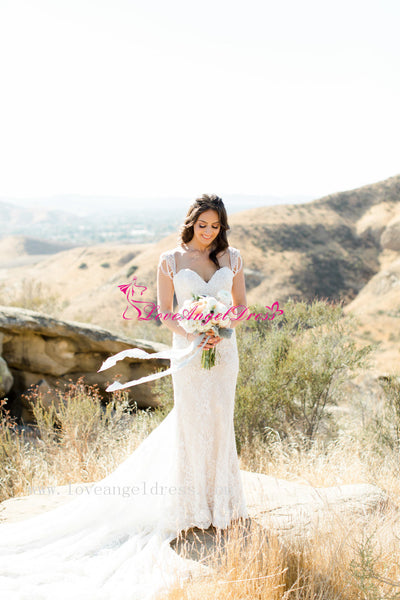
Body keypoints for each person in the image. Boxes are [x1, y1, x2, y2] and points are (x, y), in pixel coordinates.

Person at [0, 194, 249, 599]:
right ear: (191, 223)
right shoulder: (170, 261)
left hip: (223, 353)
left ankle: (223, 504)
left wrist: (219, 325)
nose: (209, 232)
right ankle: (191, 508)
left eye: (215, 226)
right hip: (189, 351)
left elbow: (241, 308)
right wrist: (193, 332)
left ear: (222, 228)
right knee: (192, 421)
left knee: (221, 418)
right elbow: (165, 312)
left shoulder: (231, 258)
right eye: (203, 224)